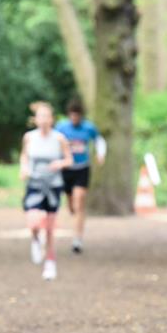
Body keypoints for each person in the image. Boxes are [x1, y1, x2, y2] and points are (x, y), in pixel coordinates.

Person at [20, 101, 74, 281]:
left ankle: (50, 263)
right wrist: (24, 169)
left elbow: (69, 160)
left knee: (50, 227)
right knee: (33, 222)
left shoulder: (59, 138)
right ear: (35, 119)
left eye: (46, 116)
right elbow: (24, 156)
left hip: (53, 185)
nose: (43, 120)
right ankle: (36, 239)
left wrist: (60, 163)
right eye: (40, 116)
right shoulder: (29, 137)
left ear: (52, 119)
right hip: (34, 184)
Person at [55, 98, 106, 253]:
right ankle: (73, 212)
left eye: (77, 115)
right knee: (71, 205)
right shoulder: (61, 127)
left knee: (79, 202)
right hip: (66, 169)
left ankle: (77, 239)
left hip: (82, 169)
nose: (74, 118)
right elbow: (53, 141)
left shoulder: (88, 128)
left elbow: (99, 141)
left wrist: (100, 154)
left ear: (81, 116)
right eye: (72, 115)